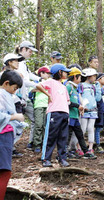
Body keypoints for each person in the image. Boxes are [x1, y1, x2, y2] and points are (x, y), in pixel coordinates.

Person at [36, 63, 71, 167]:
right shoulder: (51, 82)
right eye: (65, 72)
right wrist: (48, 94)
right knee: (51, 136)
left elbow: (67, 100)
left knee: (63, 136)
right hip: (54, 112)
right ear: (59, 72)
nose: (67, 74)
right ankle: (46, 158)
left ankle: (62, 158)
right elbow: (38, 85)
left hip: (64, 113)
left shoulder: (64, 86)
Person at [0, 70, 25, 200]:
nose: (15, 91)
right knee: (4, 172)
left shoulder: (7, 95)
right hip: (2, 137)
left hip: (7, 136)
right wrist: (14, 116)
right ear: (6, 83)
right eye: (14, 88)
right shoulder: (1, 94)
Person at [66, 67, 97, 159]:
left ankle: (86, 151)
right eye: (80, 77)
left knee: (80, 134)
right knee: (68, 134)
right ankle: (65, 152)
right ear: (75, 77)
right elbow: (66, 101)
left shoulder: (75, 88)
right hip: (70, 116)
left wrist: (80, 107)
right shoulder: (68, 87)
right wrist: (77, 106)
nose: (81, 79)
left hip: (75, 115)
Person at [15, 41, 40, 151]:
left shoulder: (23, 63)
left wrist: (40, 79)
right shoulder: (16, 62)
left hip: (25, 98)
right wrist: (38, 85)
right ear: (23, 49)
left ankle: (31, 142)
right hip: (17, 98)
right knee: (16, 123)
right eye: (29, 51)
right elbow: (23, 80)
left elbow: (29, 75)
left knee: (35, 119)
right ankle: (11, 148)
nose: (31, 53)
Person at [78, 68, 101, 155]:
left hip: (93, 111)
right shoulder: (81, 85)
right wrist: (82, 106)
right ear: (89, 76)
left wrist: (98, 87)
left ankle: (90, 148)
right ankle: (79, 147)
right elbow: (79, 96)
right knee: (83, 129)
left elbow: (98, 98)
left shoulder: (94, 86)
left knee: (91, 128)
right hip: (84, 111)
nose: (95, 78)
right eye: (94, 76)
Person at [32, 67, 51, 153]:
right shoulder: (36, 81)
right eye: (46, 73)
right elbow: (32, 89)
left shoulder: (50, 82)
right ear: (41, 73)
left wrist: (41, 89)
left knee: (45, 125)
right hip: (39, 105)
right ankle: (37, 144)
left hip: (48, 105)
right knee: (38, 124)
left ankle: (44, 143)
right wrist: (41, 88)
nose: (48, 75)